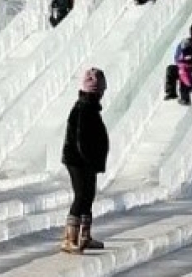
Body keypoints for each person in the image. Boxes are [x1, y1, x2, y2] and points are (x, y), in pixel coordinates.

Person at [60, 68, 109, 254]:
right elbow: (82, 139)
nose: (103, 93)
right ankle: (69, 238)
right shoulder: (84, 108)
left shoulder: (90, 107)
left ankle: (84, 236)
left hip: (86, 160)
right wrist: (89, 159)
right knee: (81, 196)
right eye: (101, 90)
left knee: (88, 195)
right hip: (78, 161)